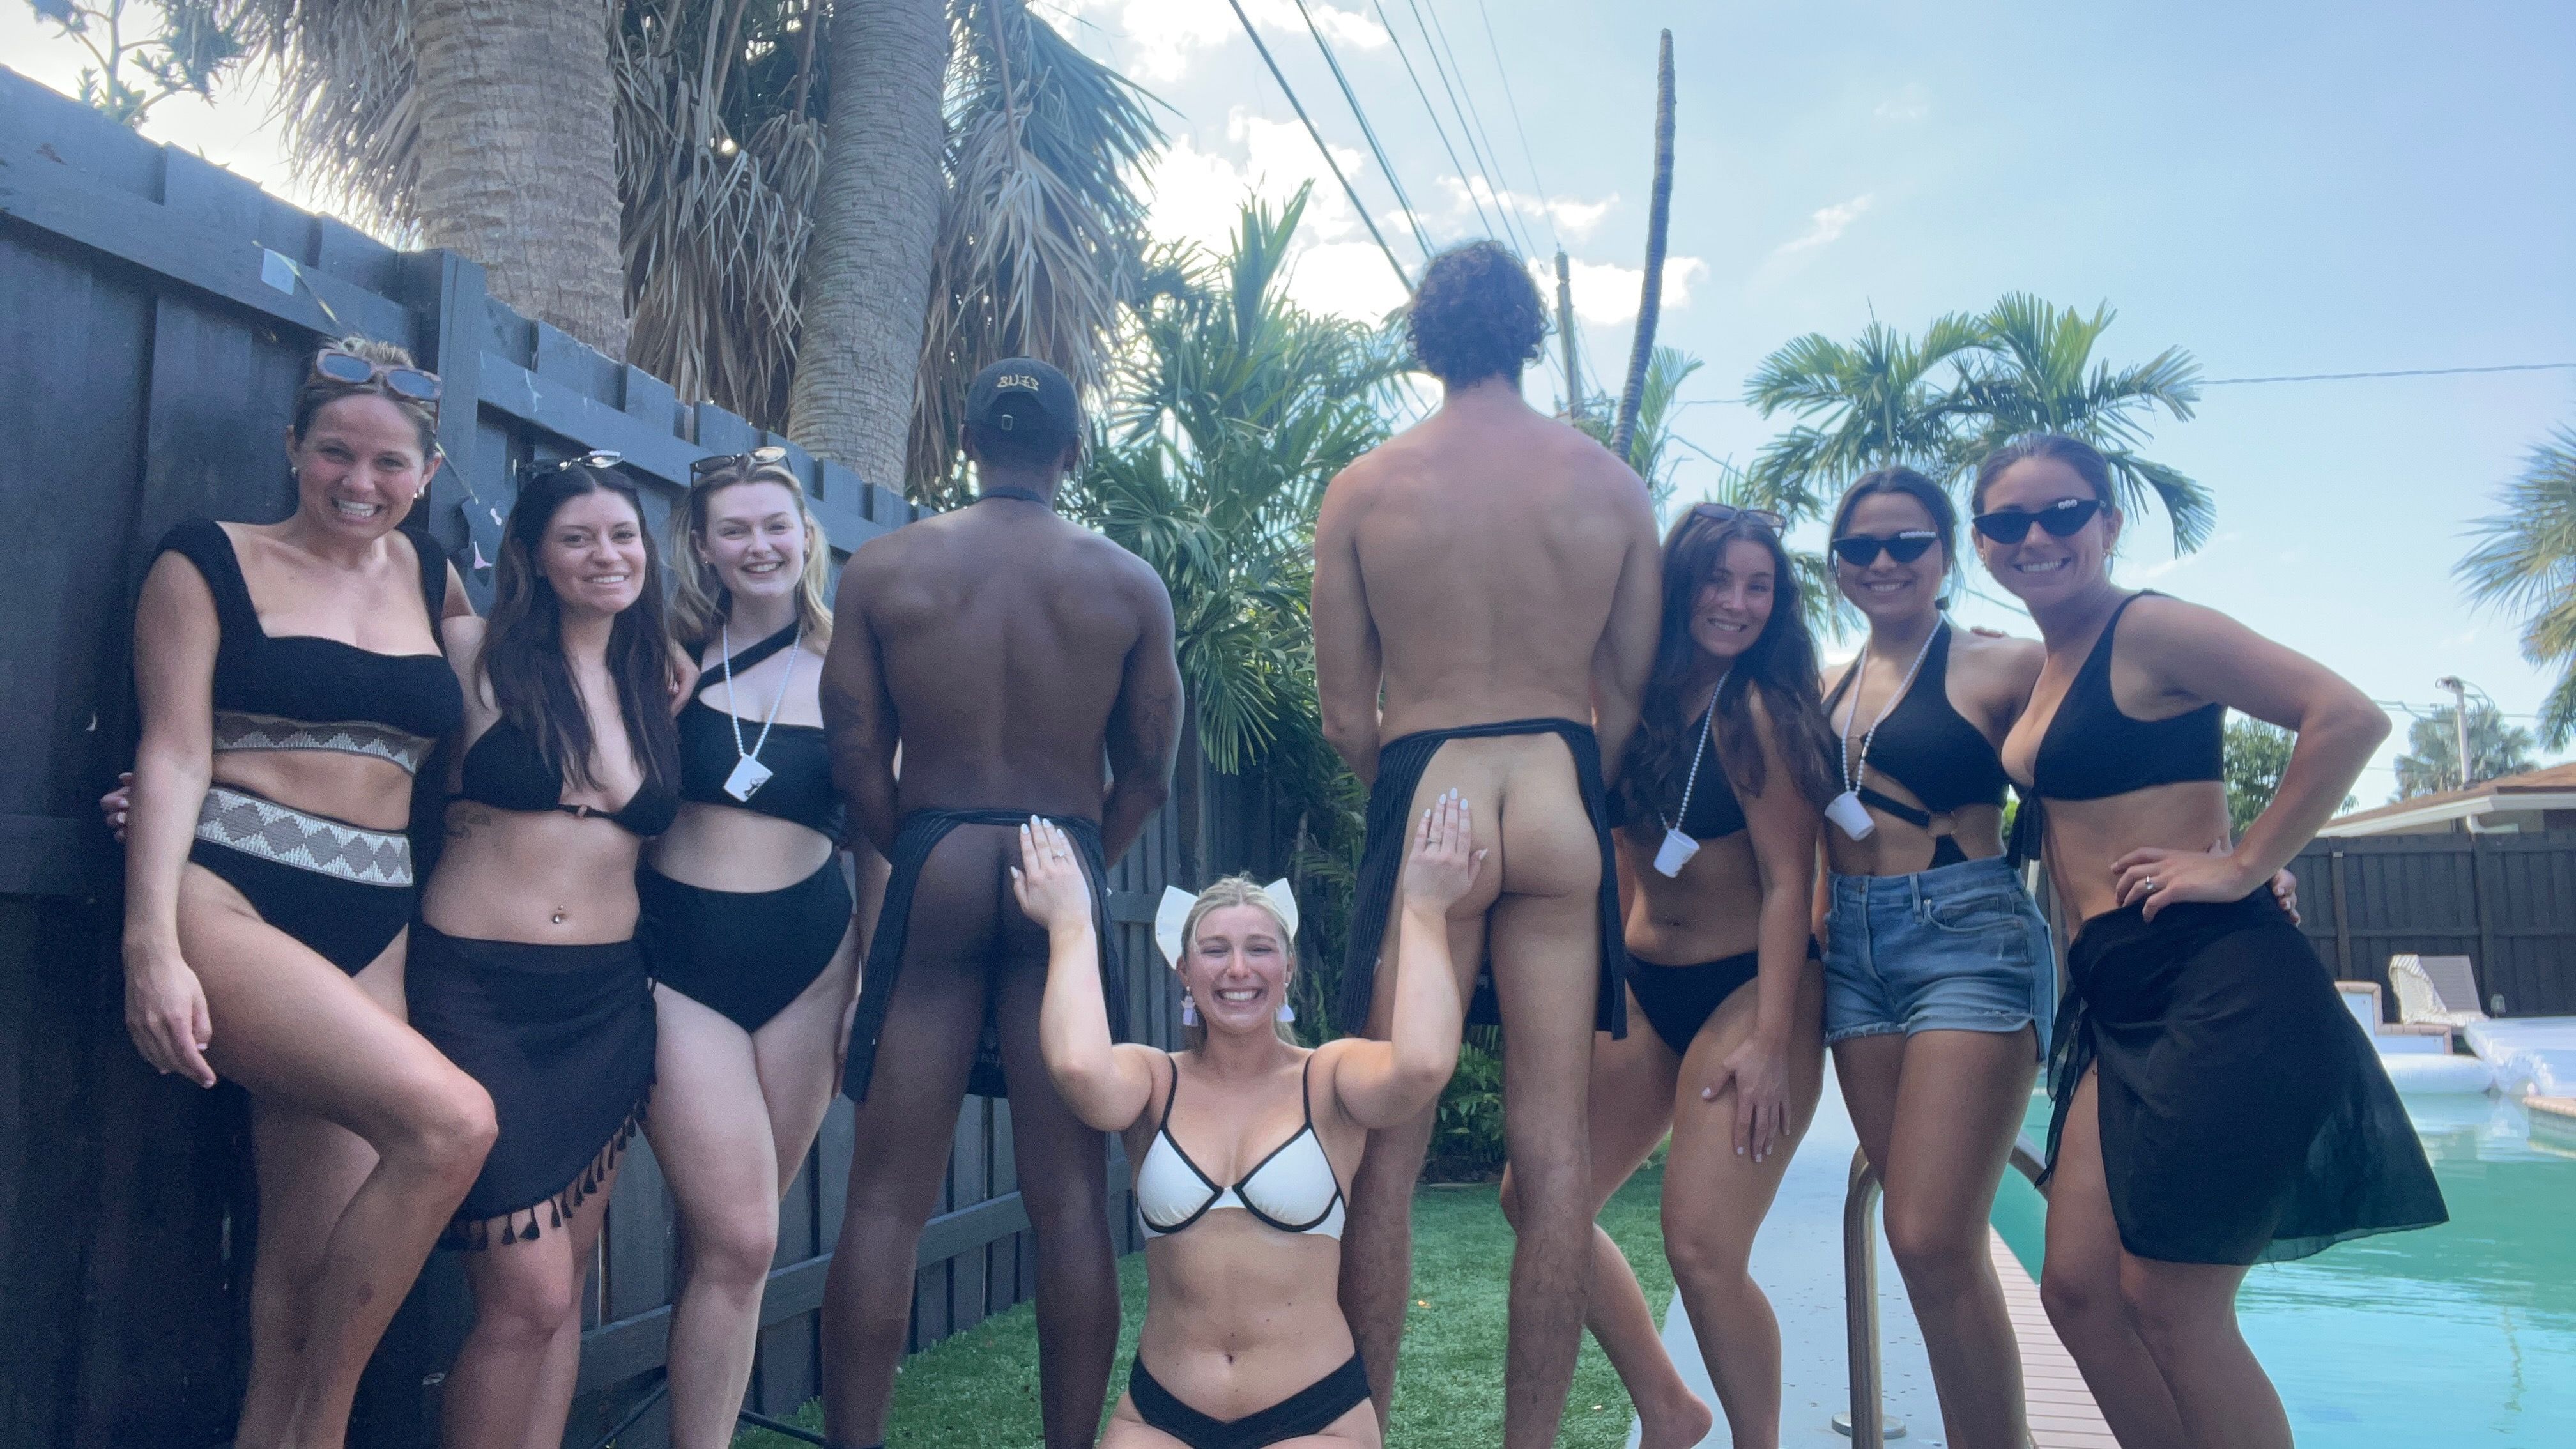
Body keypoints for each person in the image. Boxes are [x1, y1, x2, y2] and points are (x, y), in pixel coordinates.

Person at [1972, 433, 2444, 1449]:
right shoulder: (2049, 663)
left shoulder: (2150, 629)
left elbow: (2347, 718)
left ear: (2107, 522)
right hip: (2115, 994)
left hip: (2215, 979)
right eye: (2008, 522)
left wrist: (2240, 863)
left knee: (2173, 1303)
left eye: (2062, 512)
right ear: (1982, 543)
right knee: (2080, 1292)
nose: (2036, 537)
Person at [1312, 240, 1663, 1444]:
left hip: (1433, 788)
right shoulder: (1609, 483)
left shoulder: (1366, 487)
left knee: (1388, 1141)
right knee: (1554, 1148)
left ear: (1425, 338)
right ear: (1525, 335)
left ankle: (1365, 1426)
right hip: (1560, 785)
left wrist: (1410, 784)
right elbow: (1626, 686)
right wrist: (1568, 775)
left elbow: (1341, 713)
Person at [118, 341, 496, 1449]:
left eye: (390, 462)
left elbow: (513, 699)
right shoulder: (206, 561)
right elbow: (175, 751)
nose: (358, 481)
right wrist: (151, 945)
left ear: (427, 475)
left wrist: (641, 649)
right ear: (293, 448)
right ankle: (319, 1428)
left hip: (376, 915)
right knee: (451, 1120)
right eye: (334, 450)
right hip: (230, 895)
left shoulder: (434, 577)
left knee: (302, 1264)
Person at [817, 358, 1184, 1449]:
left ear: (965, 437)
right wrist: (1072, 859)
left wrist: (926, 847)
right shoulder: (1126, 584)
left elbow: (851, 757)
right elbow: (1150, 770)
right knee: (1067, 1194)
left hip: (934, 857)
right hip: (1057, 859)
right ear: (1071, 451)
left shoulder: (883, 569)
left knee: (885, 1198)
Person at [1504, 503, 1834, 1449]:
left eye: (1758, 586)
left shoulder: (1759, 714)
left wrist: (1772, 1043)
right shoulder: (1631, 703)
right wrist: (1593, 994)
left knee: (1701, 1249)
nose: (1736, 603)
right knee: (1535, 1200)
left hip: (1749, 988)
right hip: (1648, 986)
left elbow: (1786, 883)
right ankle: (1668, 1406)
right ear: (1676, 587)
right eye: (1716, 581)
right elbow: (1608, 859)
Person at [1022, 798, 1476, 1449]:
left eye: (1259, 950)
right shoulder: (1153, 1081)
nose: (1238, 969)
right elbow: (1076, 1068)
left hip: (1316, 1417)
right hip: (1161, 1417)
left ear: (1286, 971)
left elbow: (1425, 1066)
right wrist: (1071, 923)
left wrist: (1426, 908)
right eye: (1214, 951)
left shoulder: (1329, 1078)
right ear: (1185, 971)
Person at [409, 456, 679, 1447]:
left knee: (563, 1295)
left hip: (608, 1004)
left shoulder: (655, 681)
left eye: (622, 537)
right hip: (475, 993)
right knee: (523, 1295)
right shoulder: (467, 651)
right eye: (577, 538)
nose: (605, 556)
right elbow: (349, 721)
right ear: (529, 554)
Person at [640, 448, 885, 1448]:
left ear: (806, 537)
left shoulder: (859, 677)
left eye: (775, 526)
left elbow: (880, 845)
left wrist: (871, 977)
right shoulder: (663, 660)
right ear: (703, 546)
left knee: (738, 1251)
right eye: (733, 529)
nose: (758, 546)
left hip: (811, 970)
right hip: (676, 965)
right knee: (741, 1235)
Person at [1814, 467, 2054, 1449]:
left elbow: (2116, 752)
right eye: (1862, 547)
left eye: (1906, 542)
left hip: (1969, 934)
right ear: (1837, 567)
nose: (1884, 562)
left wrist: (2229, 857)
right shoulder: (1824, 683)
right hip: (1854, 953)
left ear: (1946, 556)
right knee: (1920, 1245)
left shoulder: (2007, 666)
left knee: (1928, 1230)